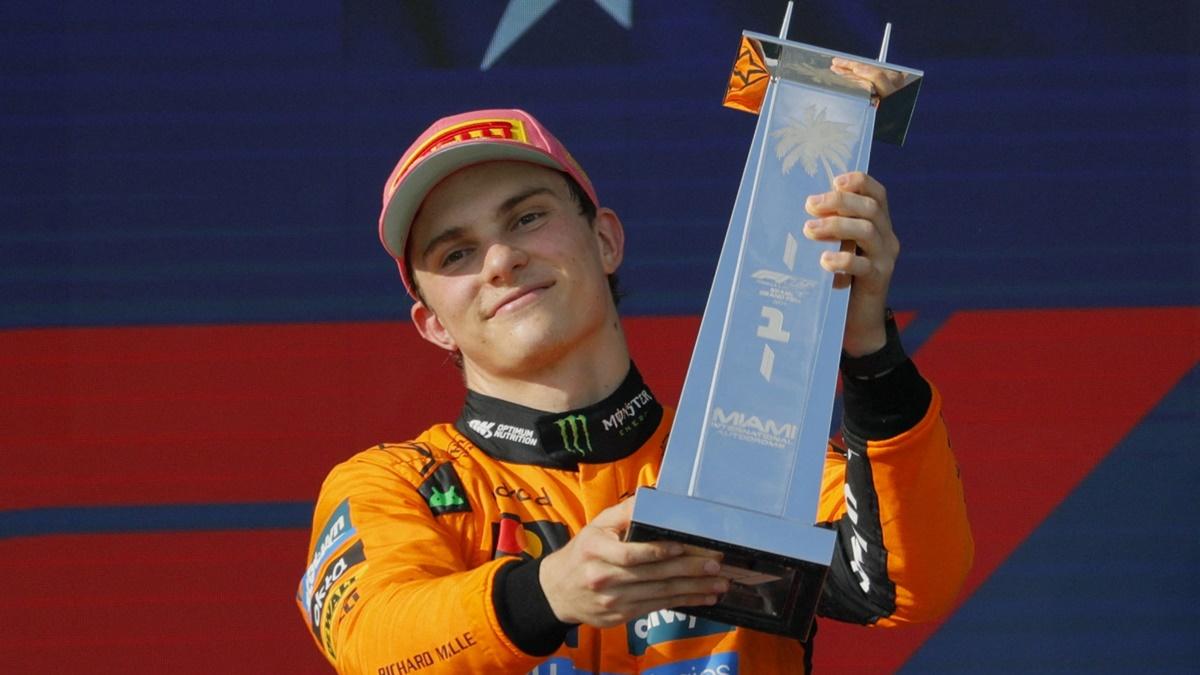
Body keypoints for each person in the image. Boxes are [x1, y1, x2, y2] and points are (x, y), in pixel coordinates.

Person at [296, 108, 973, 674]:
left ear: (606, 240)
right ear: (431, 323)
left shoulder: (744, 459)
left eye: (527, 218)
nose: (501, 261)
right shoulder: (392, 485)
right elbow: (372, 645)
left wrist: (868, 352)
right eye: (456, 254)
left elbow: (911, 585)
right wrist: (547, 592)